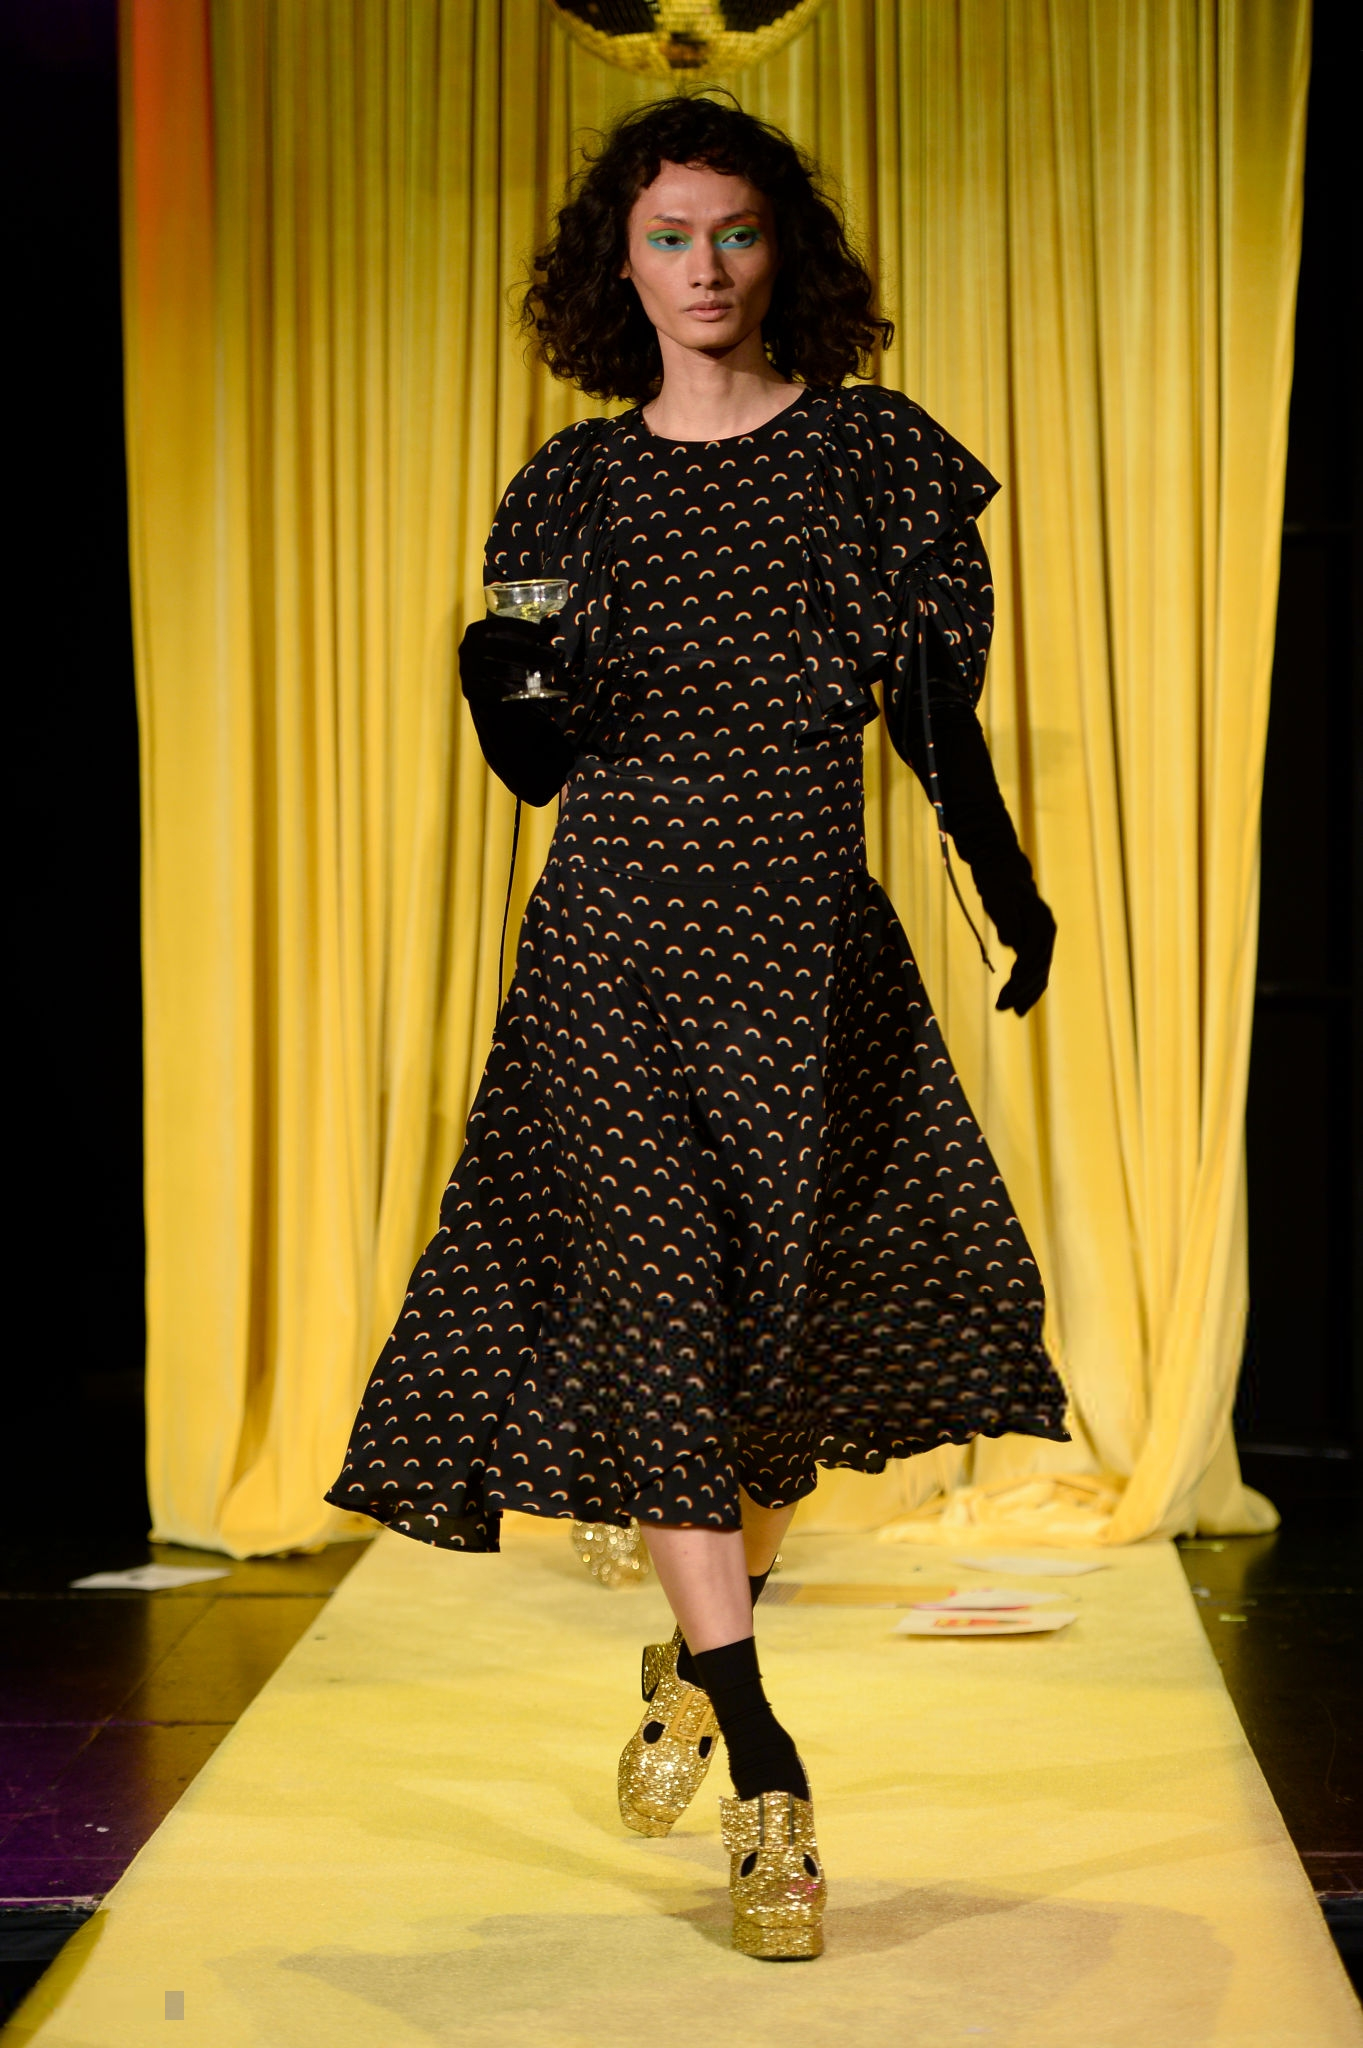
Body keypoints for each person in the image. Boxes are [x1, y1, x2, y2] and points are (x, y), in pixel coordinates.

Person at [325, 93, 1069, 1961]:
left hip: (802, 951)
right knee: (659, 1315)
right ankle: (764, 1769)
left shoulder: (872, 457)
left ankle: (685, 1656)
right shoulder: (567, 487)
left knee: (778, 1366)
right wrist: (498, 679)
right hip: (613, 950)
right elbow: (533, 763)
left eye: (733, 231)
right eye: (668, 237)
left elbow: (934, 716)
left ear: (778, 248)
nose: (705, 269)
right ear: (621, 265)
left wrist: (1007, 886)